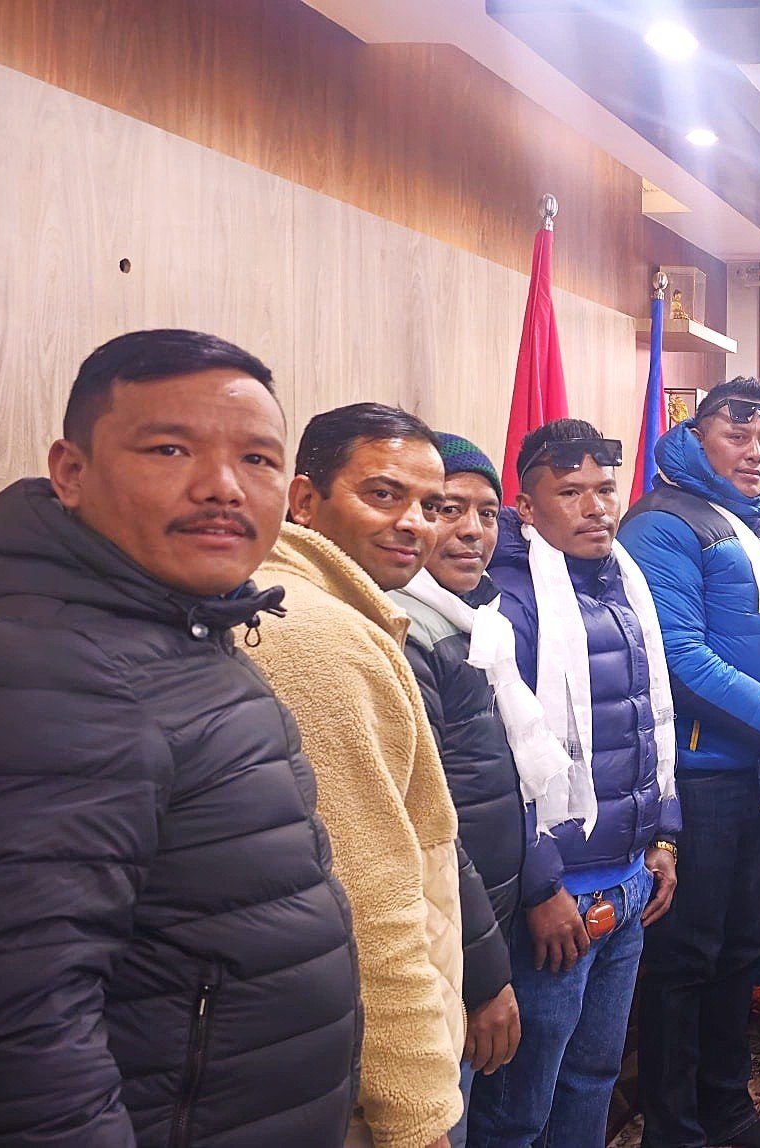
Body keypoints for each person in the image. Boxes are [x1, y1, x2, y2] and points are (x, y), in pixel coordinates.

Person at [0, 330, 360, 1146]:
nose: (222, 487)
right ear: (71, 472)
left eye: (257, 459)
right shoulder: (46, 670)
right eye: (170, 449)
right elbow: (18, 1045)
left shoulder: (173, 625)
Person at [616, 378, 760, 1148]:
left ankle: (727, 1111)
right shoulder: (664, 520)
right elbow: (679, 656)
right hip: (701, 775)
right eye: (736, 437)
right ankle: (674, 1129)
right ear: (697, 437)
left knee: (745, 942)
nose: (755, 453)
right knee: (686, 955)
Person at [247, 402, 469, 1148]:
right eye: (383, 494)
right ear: (305, 501)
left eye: (431, 506)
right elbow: (368, 898)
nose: (414, 523)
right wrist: (416, 1114)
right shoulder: (320, 636)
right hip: (353, 1067)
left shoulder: (318, 607)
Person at [474, 418, 680, 1147]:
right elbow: (496, 765)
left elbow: (649, 720)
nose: (596, 508)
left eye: (604, 489)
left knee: (593, 1077)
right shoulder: (508, 601)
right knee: (519, 1107)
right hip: (559, 894)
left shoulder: (623, 580)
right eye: (570, 492)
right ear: (526, 508)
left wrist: (664, 838)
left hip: (625, 882)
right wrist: (540, 888)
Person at [387, 434, 525, 1145]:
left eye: (488, 513)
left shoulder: (478, 621)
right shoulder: (404, 630)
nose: (473, 531)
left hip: (487, 922)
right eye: (449, 509)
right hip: (442, 947)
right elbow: (430, 824)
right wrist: (485, 972)